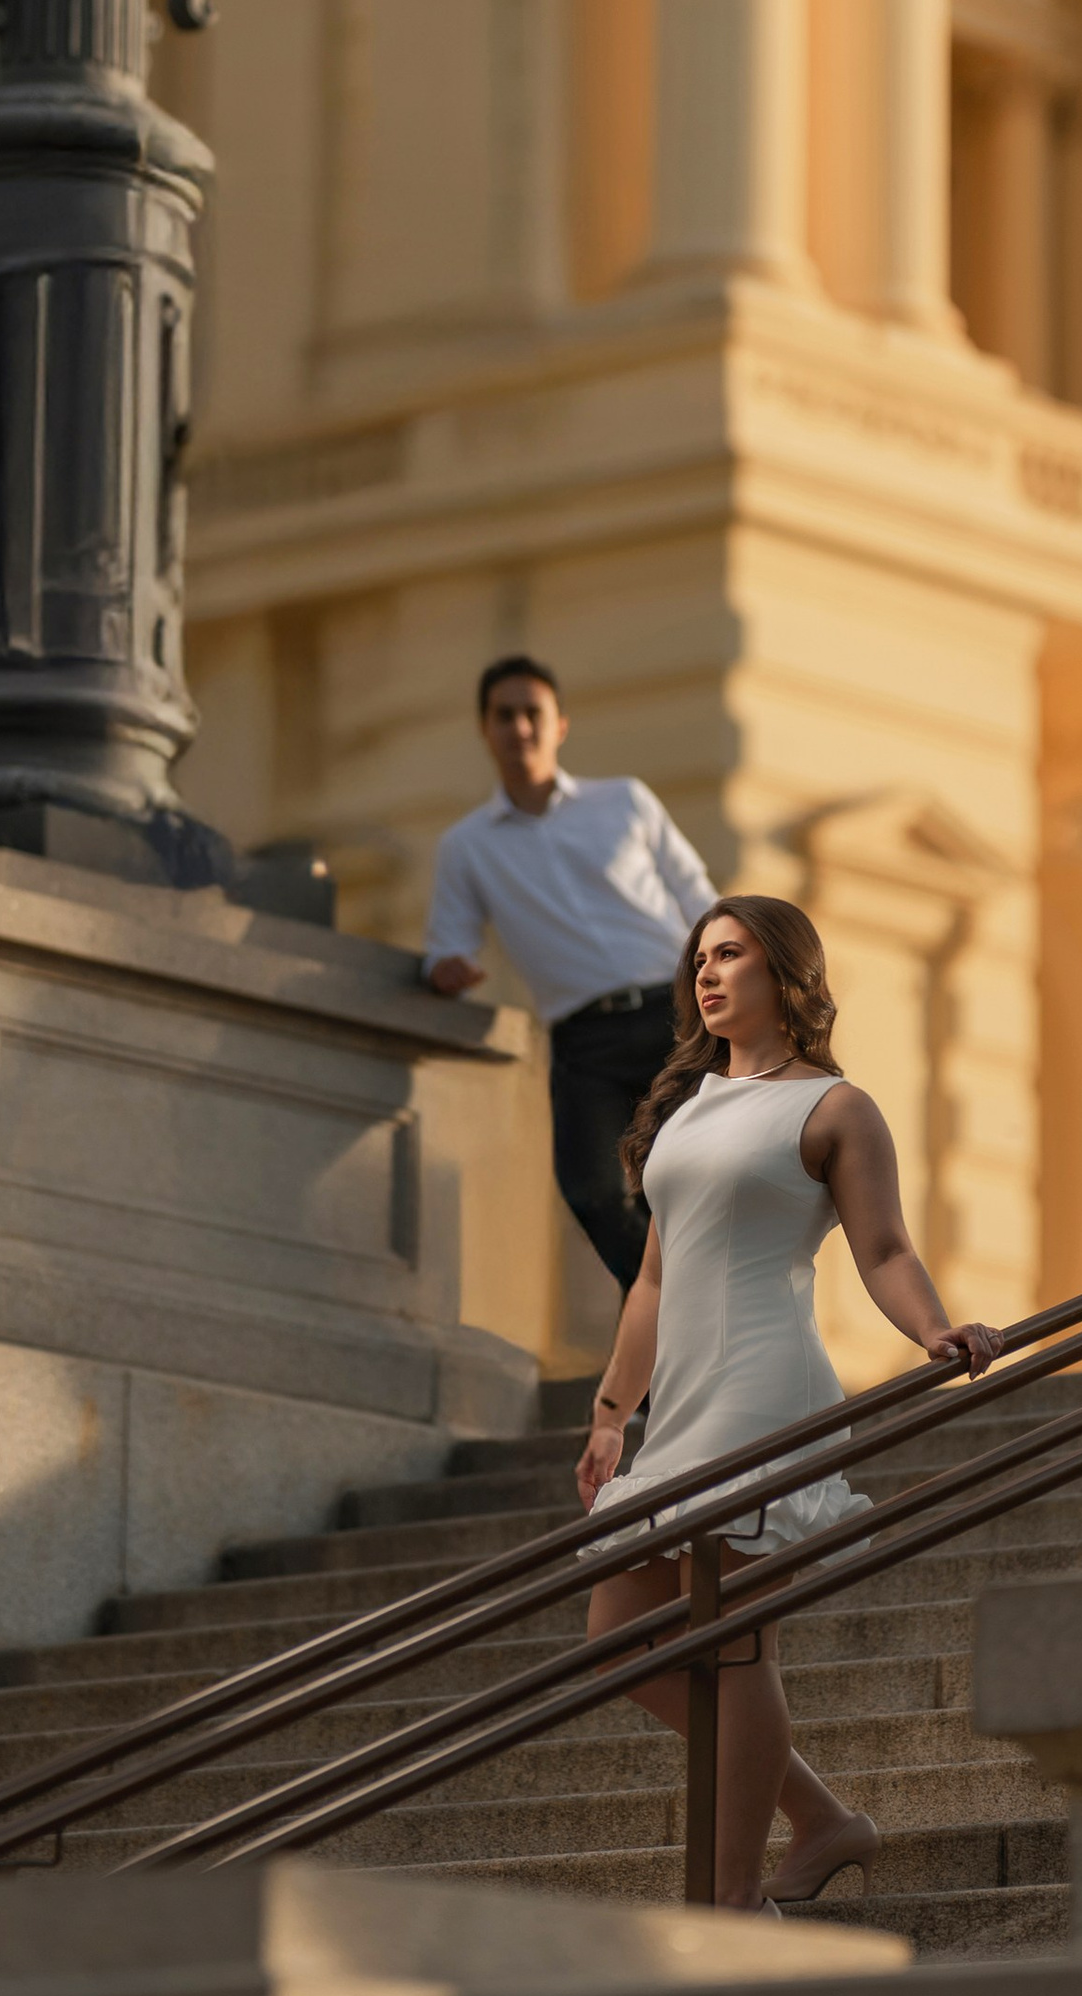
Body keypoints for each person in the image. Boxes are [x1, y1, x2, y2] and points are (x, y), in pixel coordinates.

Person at [577, 893, 1003, 1914]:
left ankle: (730, 1904)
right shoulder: (684, 1110)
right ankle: (819, 1821)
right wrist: (607, 1412)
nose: (707, 976)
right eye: (699, 961)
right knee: (615, 1641)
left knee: (734, 1641)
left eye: (730, 956)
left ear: (785, 975)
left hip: (764, 1389)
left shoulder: (835, 1109)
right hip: (679, 1401)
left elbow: (885, 1249)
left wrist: (934, 1331)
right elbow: (652, 1280)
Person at [422, 655, 715, 1298]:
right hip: (582, 1045)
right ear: (485, 729)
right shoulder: (467, 847)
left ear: (560, 726)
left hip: (674, 1017)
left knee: (686, 1187)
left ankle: (665, 1349)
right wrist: (446, 970)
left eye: (534, 713)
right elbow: (447, 945)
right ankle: (681, 1308)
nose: (520, 727)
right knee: (592, 1193)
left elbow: (699, 897)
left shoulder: (626, 801)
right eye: (505, 715)